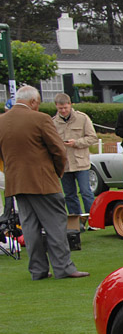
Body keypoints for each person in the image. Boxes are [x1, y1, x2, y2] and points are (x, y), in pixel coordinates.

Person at [0, 86, 88, 279]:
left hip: (16, 183)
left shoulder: (1, 121)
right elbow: (58, 150)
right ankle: (63, 268)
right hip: (43, 182)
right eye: (38, 104)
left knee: (29, 227)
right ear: (33, 102)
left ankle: (37, 270)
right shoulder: (40, 119)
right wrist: (56, 173)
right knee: (55, 224)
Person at [52, 93, 99, 226]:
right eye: (60, 108)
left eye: (65, 107)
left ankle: (93, 220)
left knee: (86, 192)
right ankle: (76, 222)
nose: (63, 110)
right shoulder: (52, 122)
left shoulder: (82, 118)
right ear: (56, 106)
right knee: (69, 194)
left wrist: (77, 142)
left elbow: (92, 137)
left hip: (81, 162)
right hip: (64, 164)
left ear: (70, 104)